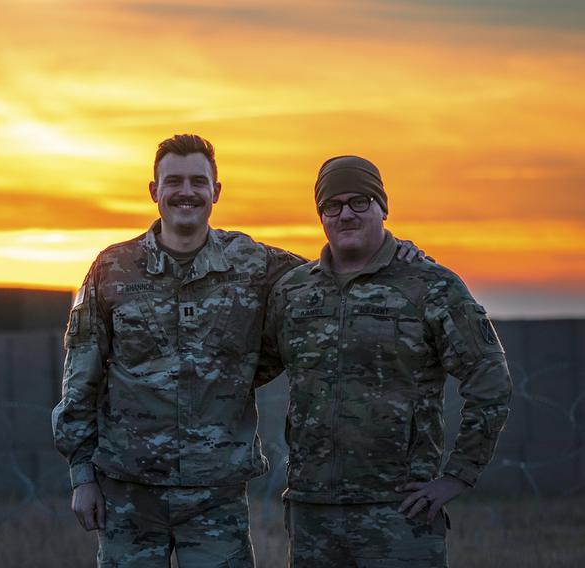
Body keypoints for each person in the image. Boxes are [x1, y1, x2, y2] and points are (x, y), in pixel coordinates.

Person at [51, 137, 419, 567]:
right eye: (174, 181)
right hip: (129, 493)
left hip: (216, 497)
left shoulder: (253, 263)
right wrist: (82, 477)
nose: (185, 192)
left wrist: (397, 255)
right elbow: (81, 378)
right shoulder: (113, 269)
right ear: (154, 191)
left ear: (215, 191)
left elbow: (333, 273)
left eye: (197, 181)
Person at [261, 155, 512, 567]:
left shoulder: (431, 286)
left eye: (359, 201)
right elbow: (253, 366)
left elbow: (490, 378)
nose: (346, 214)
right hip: (312, 511)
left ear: (382, 206)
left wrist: (457, 475)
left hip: (400, 512)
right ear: (321, 215)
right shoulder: (293, 291)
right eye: (333, 205)